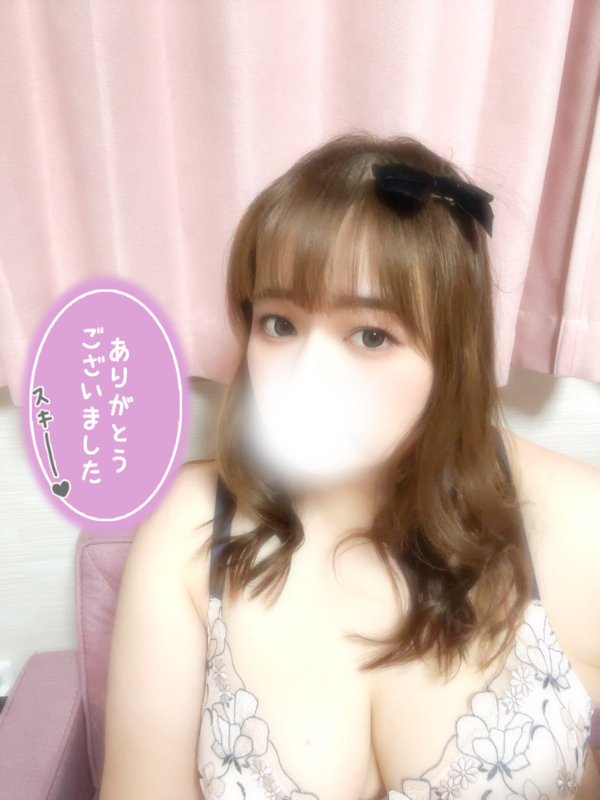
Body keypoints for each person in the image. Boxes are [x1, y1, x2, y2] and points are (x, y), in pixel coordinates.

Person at [99, 132, 600, 800]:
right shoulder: (187, 531)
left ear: (454, 351)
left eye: (370, 335)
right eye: (279, 324)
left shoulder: (579, 523)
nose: (305, 378)